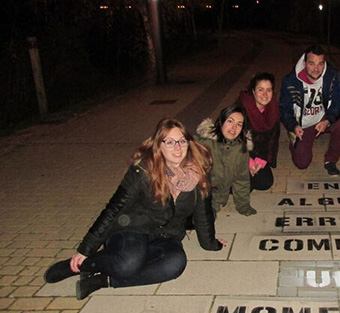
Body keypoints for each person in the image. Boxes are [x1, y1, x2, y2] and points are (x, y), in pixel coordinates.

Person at [43, 118, 224, 300]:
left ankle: (102, 281)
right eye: (169, 142)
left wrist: (211, 243)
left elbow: (203, 213)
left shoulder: (199, 172)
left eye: (182, 141)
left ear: (189, 142)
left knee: (175, 264)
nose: (177, 148)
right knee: (129, 263)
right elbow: (114, 209)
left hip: (166, 235)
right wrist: (85, 249)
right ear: (158, 145)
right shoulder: (144, 170)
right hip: (132, 228)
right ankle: (80, 266)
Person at [279, 44, 340, 176]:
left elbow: (339, 103)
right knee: (302, 163)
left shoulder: (332, 76)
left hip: (323, 118)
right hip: (304, 124)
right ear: (304, 63)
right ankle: (294, 144)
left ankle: (330, 160)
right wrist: (293, 126)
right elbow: (284, 109)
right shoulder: (290, 80)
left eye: (320, 64)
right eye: (312, 64)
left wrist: (327, 120)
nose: (316, 69)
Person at [196, 107, 257, 216]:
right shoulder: (204, 143)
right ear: (221, 122)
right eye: (230, 121)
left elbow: (241, 180)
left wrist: (243, 207)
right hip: (197, 194)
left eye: (239, 124)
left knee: (205, 220)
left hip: (215, 199)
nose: (234, 127)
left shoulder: (241, 150)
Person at [238, 72, 280, 191]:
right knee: (247, 186)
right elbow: (233, 142)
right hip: (237, 155)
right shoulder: (241, 110)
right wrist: (249, 162)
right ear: (253, 91)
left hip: (258, 154)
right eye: (261, 90)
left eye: (269, 90)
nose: (265, 94)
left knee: (265, 183)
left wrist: (262, 160)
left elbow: (273, 140)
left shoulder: (273, 109)